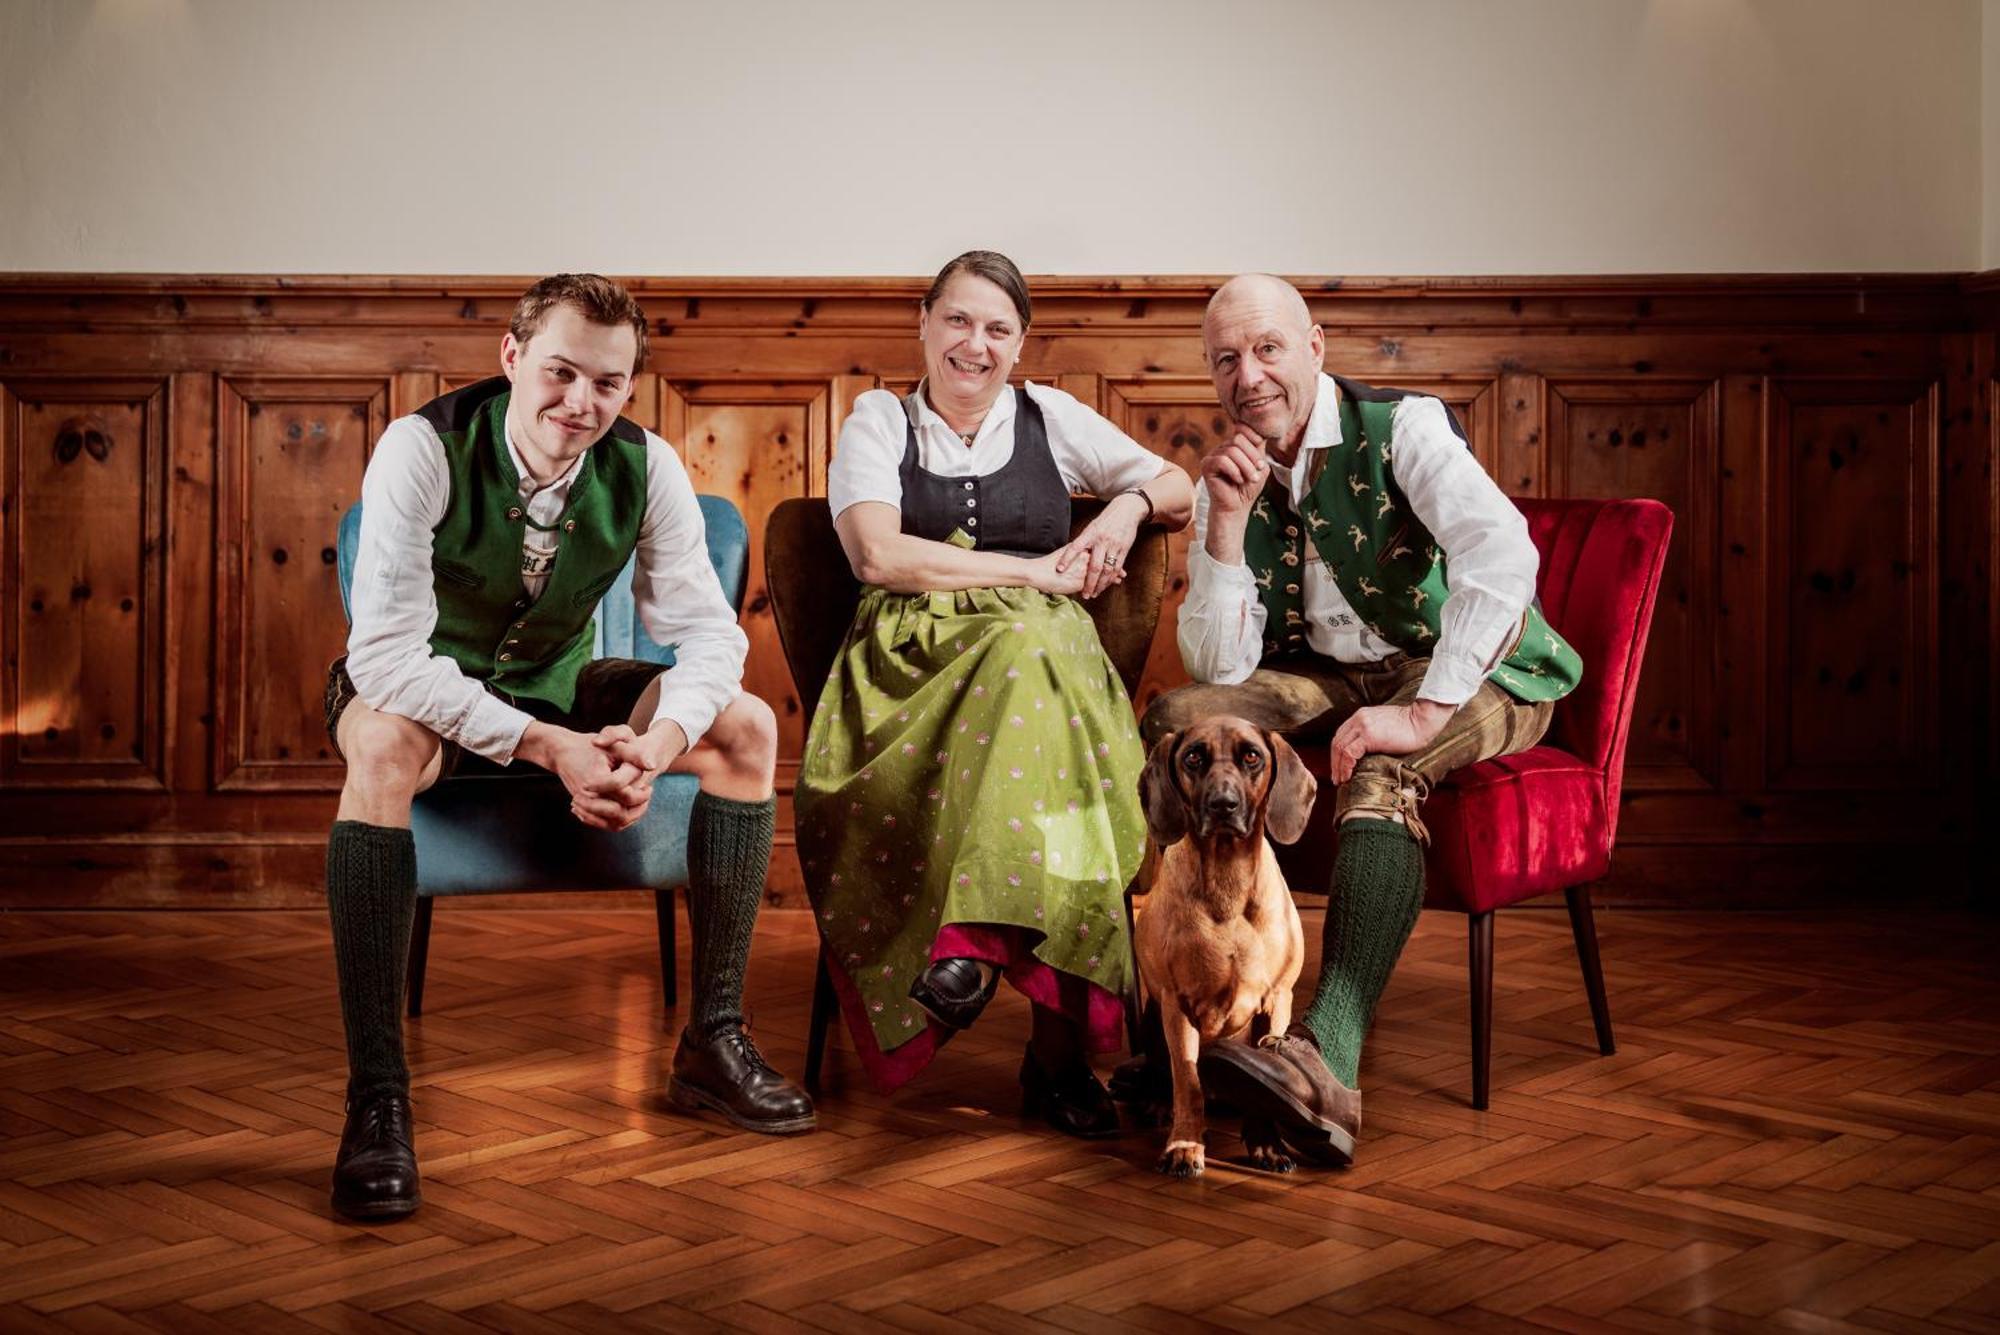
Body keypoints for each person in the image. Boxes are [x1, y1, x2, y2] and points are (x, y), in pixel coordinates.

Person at [324, 273, 813, 1221]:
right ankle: (377, 1095)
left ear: (630, 385)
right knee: (381, 745)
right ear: (512, 358)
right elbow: (384, 654)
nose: (581, 404)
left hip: (556, 686)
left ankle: (712, 1040)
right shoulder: (420, 449)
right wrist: (551, 747)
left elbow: (712, 640)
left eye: (609, 383)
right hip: (419, 689)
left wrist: (656, 739)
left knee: (747, 724)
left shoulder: (648, 466)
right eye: (559, 373)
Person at [1141, 274, 1582, 1164]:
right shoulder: (1231, 471)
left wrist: (1420, 714)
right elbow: (1220, 673)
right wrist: (1224, 530)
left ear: (1315, 347)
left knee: (1382, 769)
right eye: (1226, 359)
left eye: (1268, 348)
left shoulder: (1403, 427)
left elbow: (1502, 551)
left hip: (1475, 668)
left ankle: (1324, 1050)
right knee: (1183, 716)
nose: (1248, 375)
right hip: (1328, 674)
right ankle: (1166, 1020)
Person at [794, 250, 1193, 1133]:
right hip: (912, 675)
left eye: (998, 329)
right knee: (1054, 703)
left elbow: (1178, 485)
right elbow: (878, 557)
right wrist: (1035, 578)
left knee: (1040, 680)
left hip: (1041, 665)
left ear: (1020, 345)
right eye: (959, 321)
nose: (976, 344)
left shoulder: (1049, 414)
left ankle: (974, 953)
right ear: (925, 325)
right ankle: (1051, 1056)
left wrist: (1125, 508)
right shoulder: (878, 420)